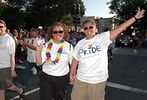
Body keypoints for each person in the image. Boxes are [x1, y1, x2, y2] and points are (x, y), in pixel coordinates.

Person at [69, 9, 145, 100]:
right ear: (83, 30)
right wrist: (71, 74)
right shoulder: (80, 43)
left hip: (97, 81)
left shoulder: (102, 37)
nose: (88, 29)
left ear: (95, 28)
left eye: (91, 27)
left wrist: (135, 18)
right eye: (86, 28)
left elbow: (120, 28)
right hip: (81, 79)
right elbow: (75, 59)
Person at [36, 22, 73, 100]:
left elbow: (72, 63)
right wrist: (38, 51)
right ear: (52, 33)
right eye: (55, 32)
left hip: (62, 78)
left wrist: (73, 76)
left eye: (60, 31)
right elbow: (39, 63)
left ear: (64, 32)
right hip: (47, 77)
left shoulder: (68, 46)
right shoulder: (46, 45)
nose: (58, 34)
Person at [0, 20, 25, 100]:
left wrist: (13, 69)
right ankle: (19, 90)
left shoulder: (9, 39)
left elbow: (12, 56)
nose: (0, 28)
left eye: (1, 27)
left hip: (5, 67)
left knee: (2, 88)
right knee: (4, 86)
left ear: (5, 28)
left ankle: (19, 90)